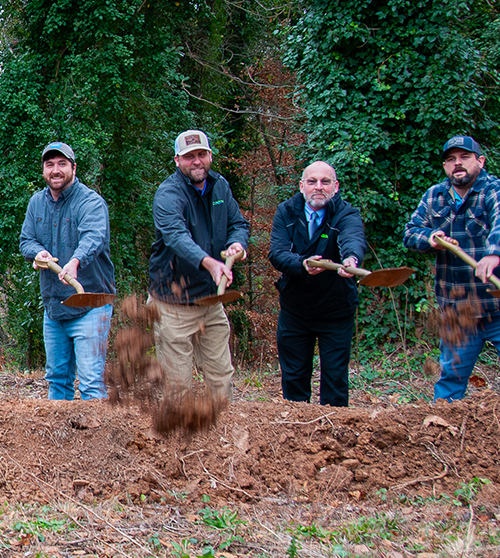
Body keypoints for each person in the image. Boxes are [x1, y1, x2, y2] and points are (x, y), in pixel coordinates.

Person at [404, 135, 500, 400]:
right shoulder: (435, 196)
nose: (458, 164)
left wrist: (494, 253)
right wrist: (431, 239)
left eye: (464, 157)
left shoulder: (498, 190)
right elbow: (411, 232)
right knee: (450, 381)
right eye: (451, 159)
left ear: (480, 161)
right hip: (459, 310)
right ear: (445, 167)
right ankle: (442, 433)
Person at [147, 130, 250, 402]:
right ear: (177, 161)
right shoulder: (168, 194)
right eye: (189, 156)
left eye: (201, 154)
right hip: (173, 302)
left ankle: (221, 438)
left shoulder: (220, 186)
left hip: (210, 299)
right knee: (177, 386)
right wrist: (210, 264)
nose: (196, 161)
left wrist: (237, 244)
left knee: (221, 377)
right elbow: (175, 237)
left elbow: (238, 223)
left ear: (210, 156)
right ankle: (179, 442)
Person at [19, 142, 115, 401]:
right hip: (55, 307)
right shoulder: (37, 203)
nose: (56, 170)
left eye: (62, 164)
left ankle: (95, 439)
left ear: (73, 168)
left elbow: (94, 237)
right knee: (57, 381)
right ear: (43, 171)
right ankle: (60, 442)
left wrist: (75, 261)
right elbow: (26, 239)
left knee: (91, 384)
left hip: (91, 304)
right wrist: (37, 252)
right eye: (49, 165)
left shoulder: (90, 202)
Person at [267, 161, 366, 407]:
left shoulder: (347, 213)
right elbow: (277, 253)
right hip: (295, 311)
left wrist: (351, 260)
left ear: (336, 186)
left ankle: (334, 435)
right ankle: (297, 436)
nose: (318, 187)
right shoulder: (286, 211)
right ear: (302, 186)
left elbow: (352, 238)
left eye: (325, 182)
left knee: (335, 383)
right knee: (294, 380)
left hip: (336, 310)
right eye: (312, 182)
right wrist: (302, 264)